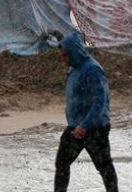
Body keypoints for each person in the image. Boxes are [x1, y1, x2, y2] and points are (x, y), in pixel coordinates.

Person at [42, 30, 118, 192]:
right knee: (62, 163)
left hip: (95, 128)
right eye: (62, 56)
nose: (64, 59)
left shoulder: (92, 69)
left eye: (66, 55)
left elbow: (100, 101)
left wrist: (85, 125)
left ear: (74, 52)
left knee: (104, 167)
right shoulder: (73, 68)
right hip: (74, 128)